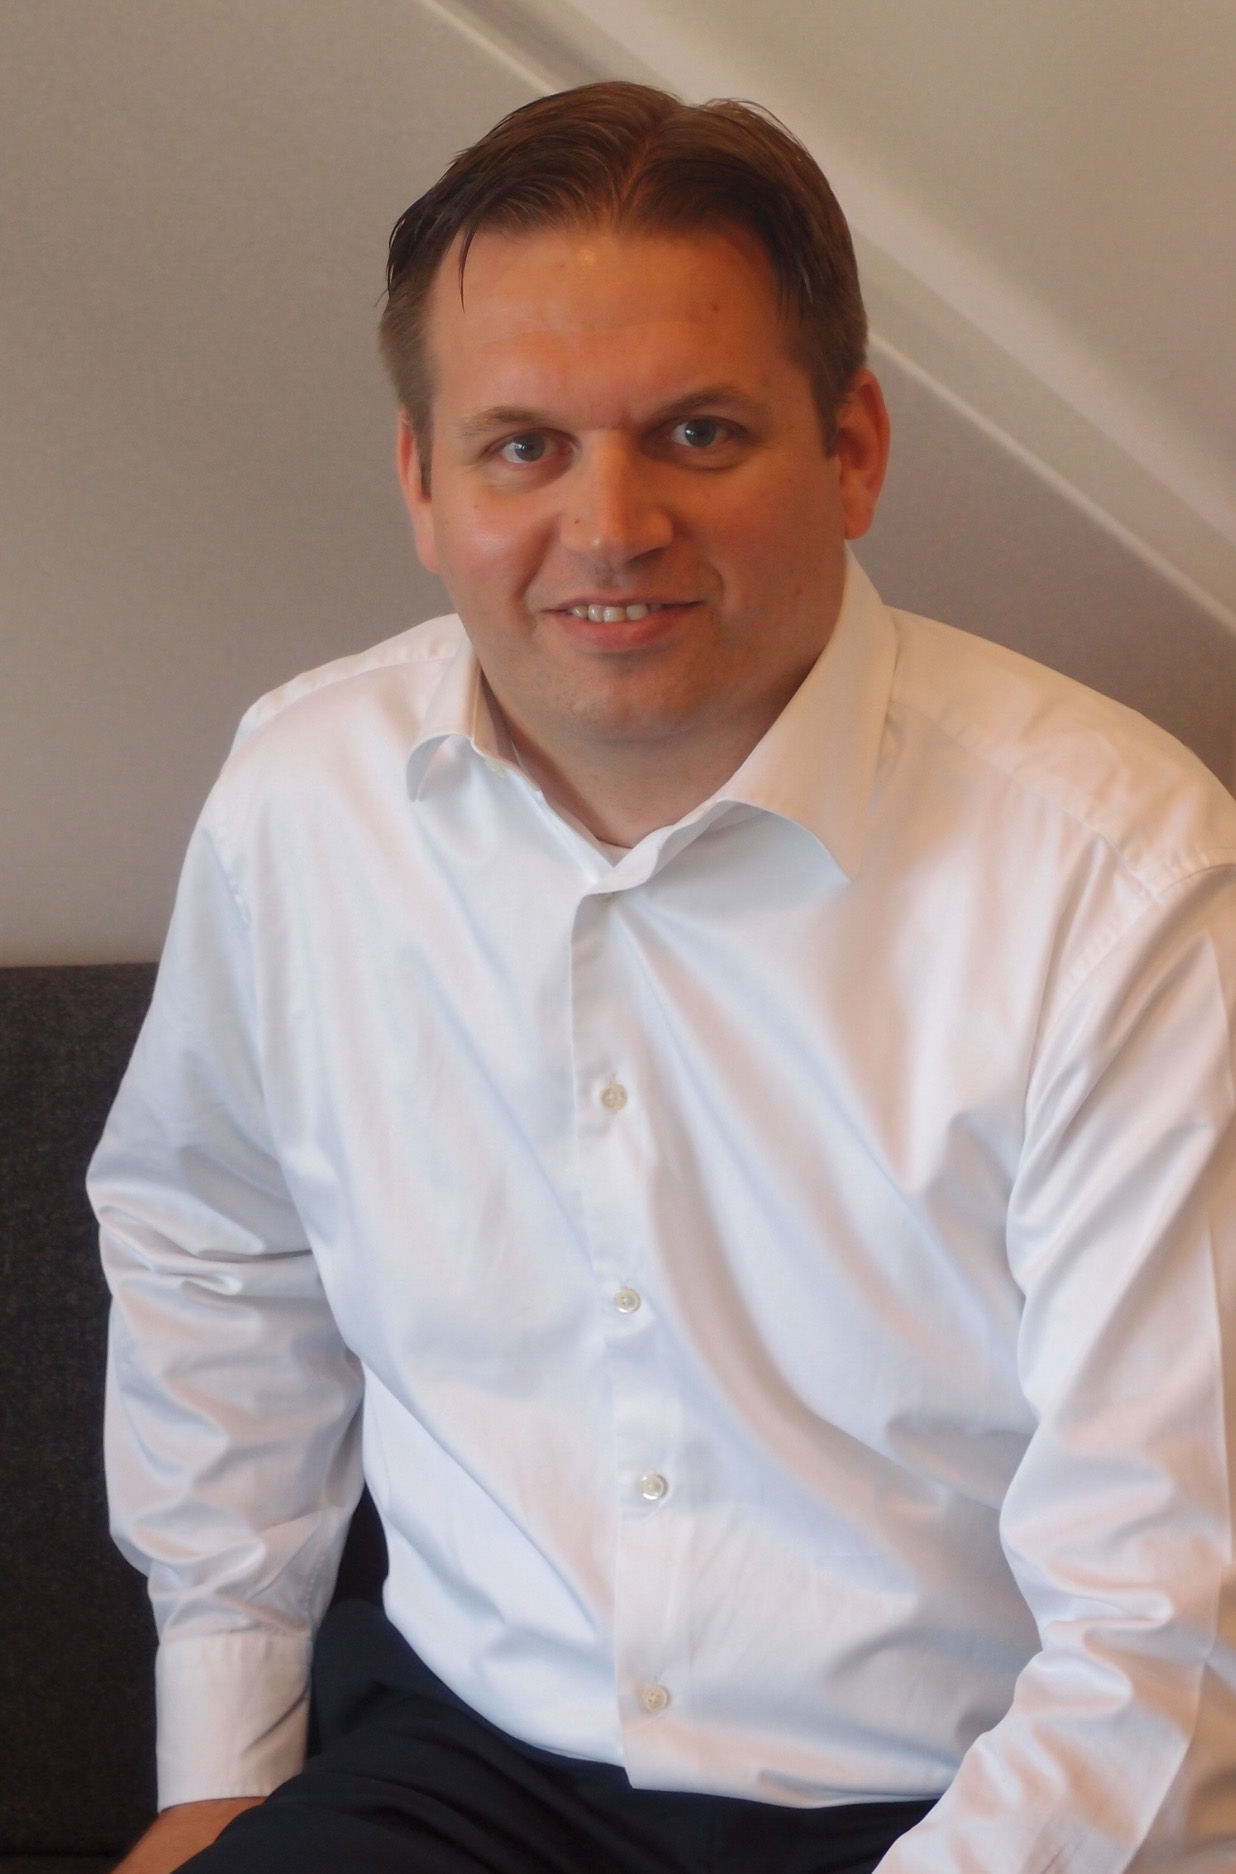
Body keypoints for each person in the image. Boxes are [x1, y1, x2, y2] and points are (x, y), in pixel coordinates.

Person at [89, 81, 1236, 1874]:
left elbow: (1169, 1634)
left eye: (697, 432)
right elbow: (216, 1245)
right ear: (423, 480)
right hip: (465, 1764)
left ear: (852, 447)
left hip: (976, 1793)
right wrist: (222, 1764)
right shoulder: (300, 803)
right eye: (522, 446)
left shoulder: (1128, 883)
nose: (610, 526)